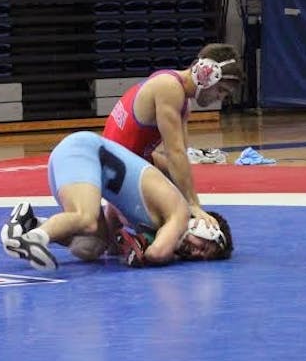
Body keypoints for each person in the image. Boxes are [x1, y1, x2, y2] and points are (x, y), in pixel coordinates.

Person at [0, 131, 233, 271]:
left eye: (203, 257)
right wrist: (145, 246)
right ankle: (33, 240)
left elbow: (113, 210)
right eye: (204, 246)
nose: (196, 253)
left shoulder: (158, 222)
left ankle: (31, 224)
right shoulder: (179, 213)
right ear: (204, 226)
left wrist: (119, 242)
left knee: (92, 247)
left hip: (81, 164)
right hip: (81, 152)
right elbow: (157, 253)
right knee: (87, 219)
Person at [101, 43, 243, 227]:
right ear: (206, 75)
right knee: (170, 222)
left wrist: (190, 201)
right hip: (113, 169)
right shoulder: (169, 89)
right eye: (222, 90)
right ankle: (117, 217)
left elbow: (181, 157)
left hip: (121, 161)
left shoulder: (179, 94)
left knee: (173, 184)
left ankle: (115, 217)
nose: (220, 98)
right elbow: (174, 152)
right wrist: (193, 205)